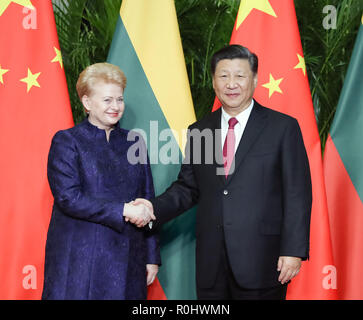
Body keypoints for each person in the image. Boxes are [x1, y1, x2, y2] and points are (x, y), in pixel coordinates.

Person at [133, 45, 312, 300]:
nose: (231, 84)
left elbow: (297, 193)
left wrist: (293, 250)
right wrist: (151, 209)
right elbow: (188, 188)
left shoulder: (282, 128)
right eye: (223, 75)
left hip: (263, 261)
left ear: (255, 79)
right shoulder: (200, 130)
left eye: (239, 76)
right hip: (211, 264)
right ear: (214, 81)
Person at [42, 62, 159, 300]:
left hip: (129, 257)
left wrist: (151, 256)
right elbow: (69, 198)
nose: (116, 107)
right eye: (107, 100)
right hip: (81, 260)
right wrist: (124, 209)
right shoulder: (67, 141)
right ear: (87, 103)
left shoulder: (134, 142)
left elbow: (147, 199)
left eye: (119, 99)